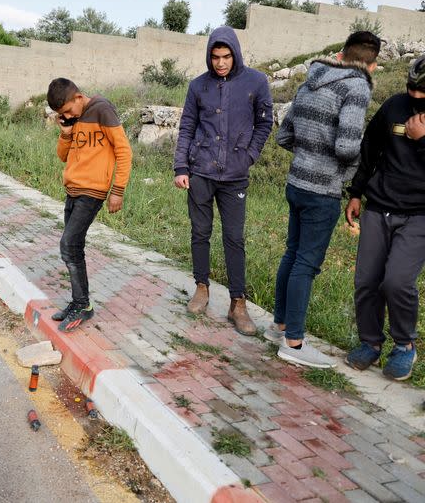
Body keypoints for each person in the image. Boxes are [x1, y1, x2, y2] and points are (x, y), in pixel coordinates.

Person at [268, 32, 379, 368]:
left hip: (296, 182)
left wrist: (308, 153)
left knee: (292, 253)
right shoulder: (357, 87)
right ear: (371, 64)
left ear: (342, 54)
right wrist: (349, 171)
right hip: (322, 190)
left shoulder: (313, 78)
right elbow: (346, 147)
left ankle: (280, 325)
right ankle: (294, 343)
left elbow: (284, 134)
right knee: (307, 263)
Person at [173, 26, 273, 335]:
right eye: (215, 57)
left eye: (226, 56)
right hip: (200, 170)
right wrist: (181, 168)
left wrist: (249, 156)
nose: (220, 63)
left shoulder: (256, 82)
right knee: (200, 232)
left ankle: (237, 304)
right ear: (209, 56)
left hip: (234, 176)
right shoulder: (197, 86)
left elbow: (264, 122)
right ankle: (201, 288)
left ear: (235, 54)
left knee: (234, 238)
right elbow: (187, 126)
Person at [343, 55, 425, 380]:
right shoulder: (393, 106)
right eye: (411, 89)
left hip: (419, 215)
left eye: (423, 91)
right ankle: (371, 344)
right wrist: (355, 193)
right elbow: (370, 150)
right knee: (366, 281)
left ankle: (404, 345)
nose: (415, 97)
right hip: (379, 206)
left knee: (397, 281)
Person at [47, 78, 132, 332]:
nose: (67, 115)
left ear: (78, 97)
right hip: (73, 189)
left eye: (68, 111)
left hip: (93, 191)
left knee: (68, 244)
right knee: (74, 247)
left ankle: (82, 304)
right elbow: (63, 156)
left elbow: (124, 151)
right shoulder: (74, 120)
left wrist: (117, 190)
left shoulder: (102, 109)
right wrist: (66, 132)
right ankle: (79, 302)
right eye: (62, 115)